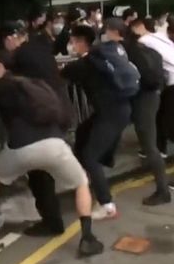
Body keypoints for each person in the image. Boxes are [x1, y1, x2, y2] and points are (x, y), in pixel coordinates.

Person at [0, 50, 104, 257]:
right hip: (54, 143)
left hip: (19, 147)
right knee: (81, 182)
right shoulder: (38, 86)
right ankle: (87, 237)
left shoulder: (2, 85)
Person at [0, 22, 73, 235]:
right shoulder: (40, 50)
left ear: (12, 37)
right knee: (45, 169)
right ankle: (53, 217)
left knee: (39, 173)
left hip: (40, 117)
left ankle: (52, 221)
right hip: (58, 112)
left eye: (6, 40)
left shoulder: (20, 58)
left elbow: (15, 87)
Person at [61, 23, 136, 220]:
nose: (71, 47)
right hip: (116, 110)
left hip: (112, 114)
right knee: (83, 133)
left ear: (80, 43)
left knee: (90, 156)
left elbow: (61, 73)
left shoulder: (85, 64)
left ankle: (106, 204)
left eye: (72, 42)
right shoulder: (99, 59)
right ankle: (84, 182)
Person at [124, 25, 171, 204]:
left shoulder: (129, 53)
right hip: (153, 97)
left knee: (150, 146)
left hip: (142, 101)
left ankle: (162, 191)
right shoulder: (149, 51)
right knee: (151, 145)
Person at [130, 18, 174, 165]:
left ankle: (159, 149)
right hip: (170, 82)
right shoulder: (160, 36)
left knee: (167, 122)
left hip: (171, 83)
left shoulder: (143, 41)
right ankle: (159, 149)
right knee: (161, 117)